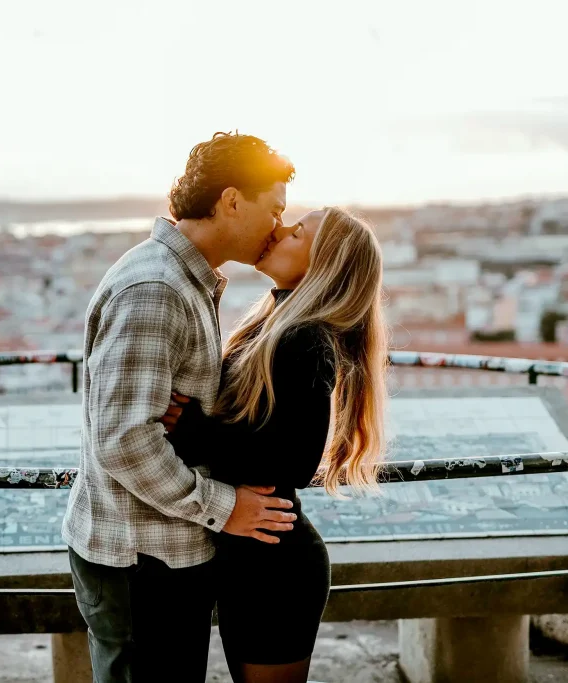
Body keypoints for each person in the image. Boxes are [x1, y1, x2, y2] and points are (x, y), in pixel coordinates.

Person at [62, 132, 301, 682]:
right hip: (142, 560)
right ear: (233, 200)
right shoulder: (156, 287)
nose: (278, 227)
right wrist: (223, 506)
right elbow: (124, 441)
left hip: (156, 552)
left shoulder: (182, 280)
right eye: (274, 210)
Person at [161, 207, 389, 683]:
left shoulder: (306, 339)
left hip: (275, 566)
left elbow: (296, 461)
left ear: (321, 262)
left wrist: (193, 430)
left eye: (295, 233)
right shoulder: (277, 320)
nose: (277, 231)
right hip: (254, 553)